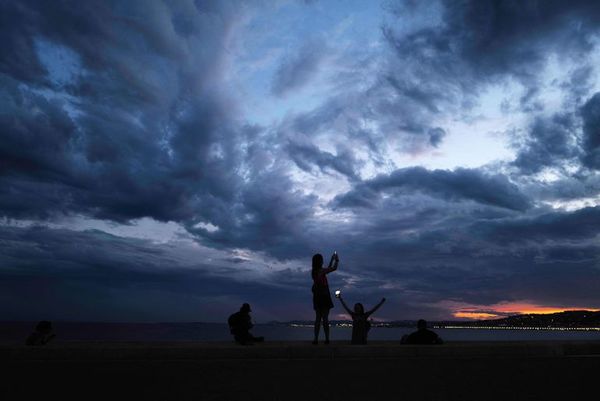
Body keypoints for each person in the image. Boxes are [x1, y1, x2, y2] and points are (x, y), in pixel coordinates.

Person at [311, 252, 339, 345]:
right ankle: (327, 339)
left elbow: (327, 268)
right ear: (319, 261)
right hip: (324, 296)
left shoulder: (314, 271)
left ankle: (315, 339)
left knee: (318, 318)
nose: (323, 261)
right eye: (322, 259)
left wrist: (331, 259)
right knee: (325, 319)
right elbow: (333, 268)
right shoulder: (320, 271)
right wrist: (337, 260)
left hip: (317, 296)